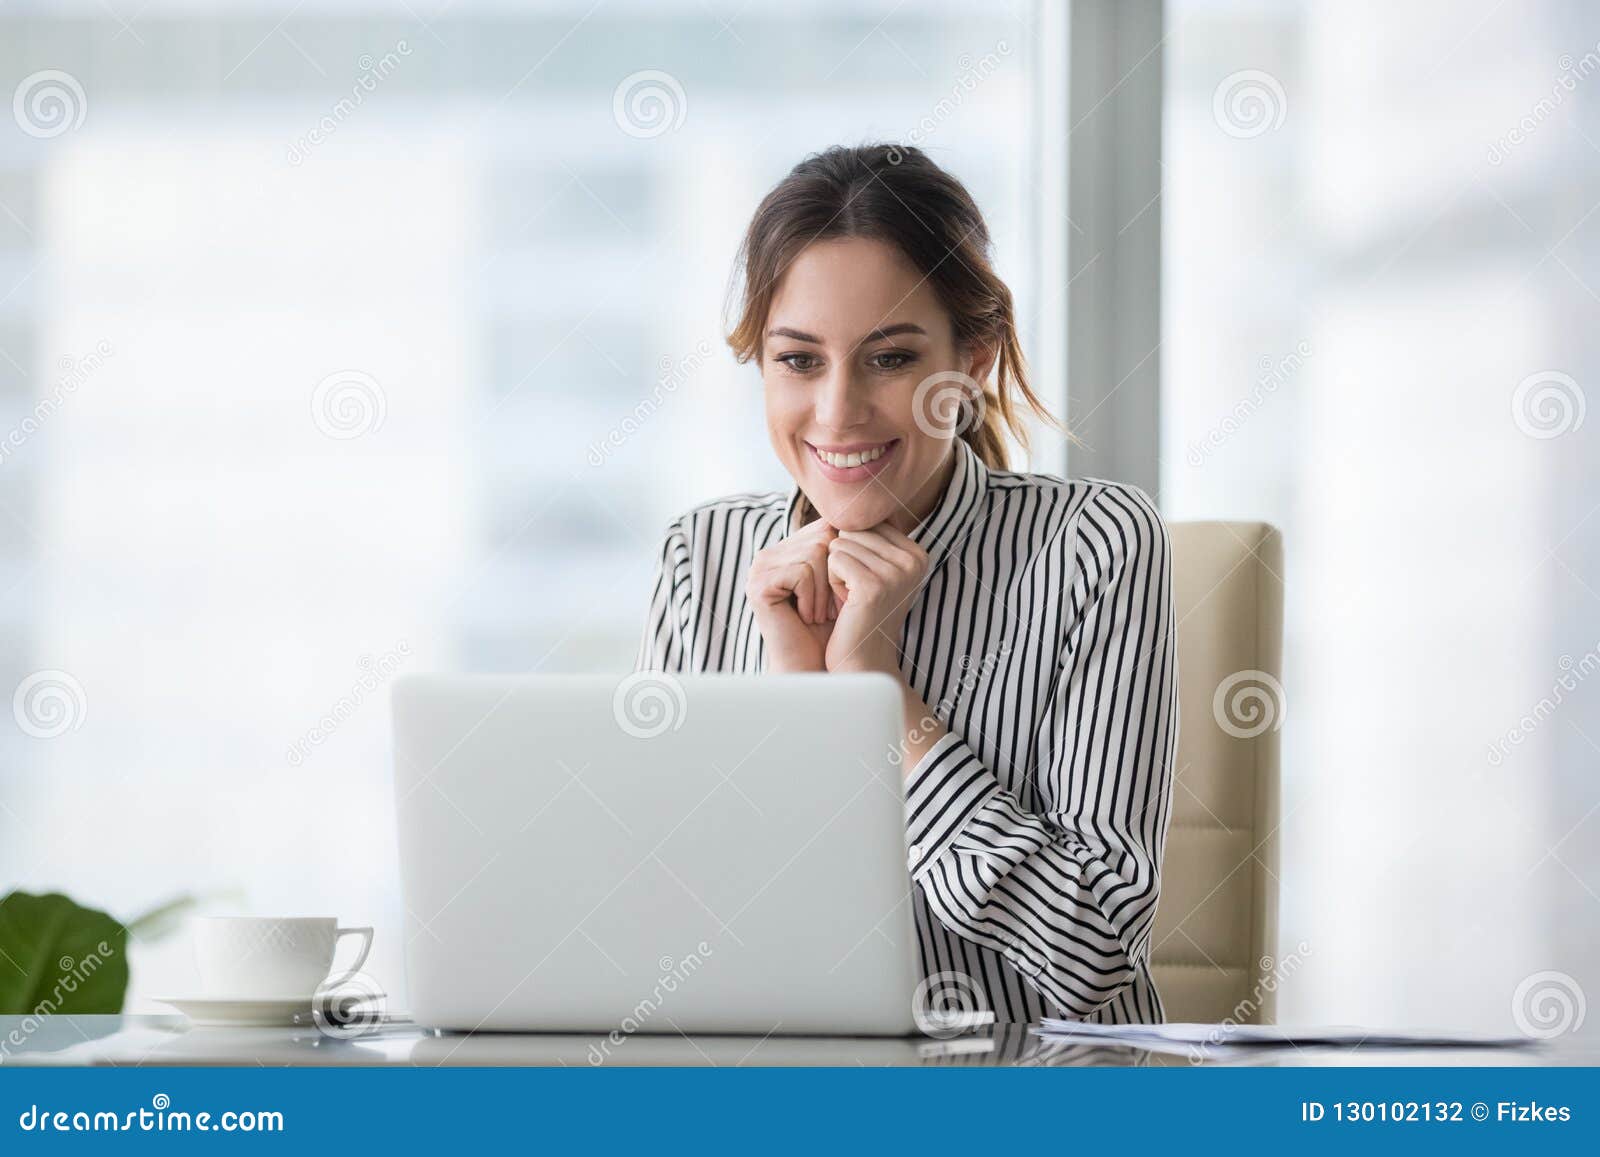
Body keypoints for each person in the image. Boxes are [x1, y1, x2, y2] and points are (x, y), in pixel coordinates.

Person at [638, 143, 1178, 1024]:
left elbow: (1093, 954)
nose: (838, 411)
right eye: (799, 360)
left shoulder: (1094, 544)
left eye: (889, 358)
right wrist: (792, 702)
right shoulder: (703, 554)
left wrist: (883, 699)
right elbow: (661, 930)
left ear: (974, 358)